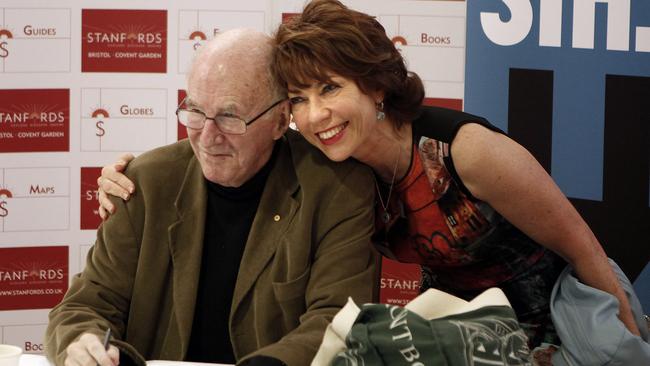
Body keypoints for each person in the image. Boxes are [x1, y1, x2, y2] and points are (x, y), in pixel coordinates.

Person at [98, 0, 641, 355]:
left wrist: (625, 344)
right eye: (299, 100)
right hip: (465, 330)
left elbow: (584, 249)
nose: (315, 116)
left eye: (331, 89)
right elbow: (222, 139)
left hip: (558, 319)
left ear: (377, 86)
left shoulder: (465, 152)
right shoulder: (325, 154)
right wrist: (131, 174)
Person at [45, 28, 378, 366]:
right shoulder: (142, 182)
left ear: (280, 121)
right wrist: (82, 340)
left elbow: (338, 317)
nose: (206, 137)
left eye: (228, 117)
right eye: (196, 111)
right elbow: (85, 306)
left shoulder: (338, 188)